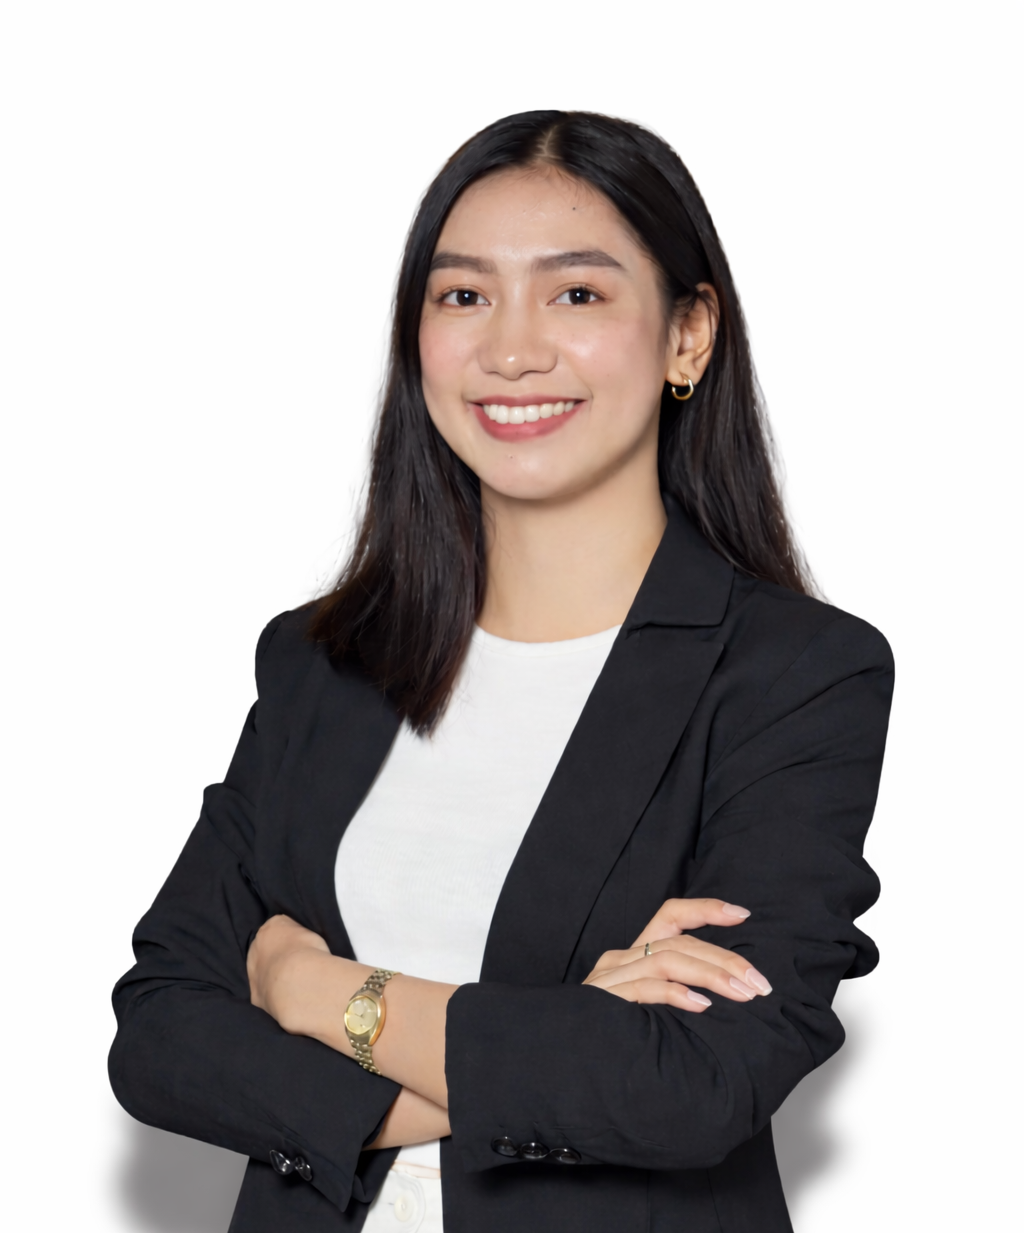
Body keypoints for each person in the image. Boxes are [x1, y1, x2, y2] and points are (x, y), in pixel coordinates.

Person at [109, 110, 893, 1233]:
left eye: (575, 293)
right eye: (464, 294)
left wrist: (309, 989)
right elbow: (160, 1034)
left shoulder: (794, 674)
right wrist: (559, 1030)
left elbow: (692, 1084)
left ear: (688, 336)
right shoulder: (322, 662)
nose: (512, 350)